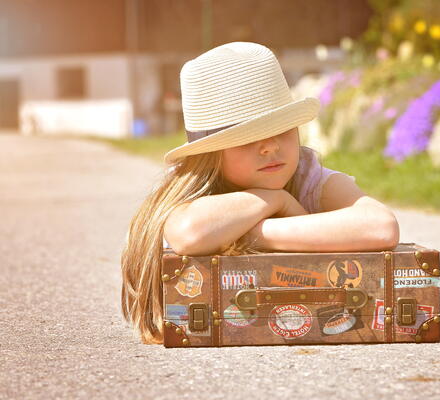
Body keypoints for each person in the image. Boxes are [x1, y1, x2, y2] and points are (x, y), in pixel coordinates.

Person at [120, 42, 399, 344]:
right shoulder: (192, 188)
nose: (270, 146)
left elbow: (381, 226)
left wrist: (255, 234)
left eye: (281, 129)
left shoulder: (308, 177)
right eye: (246, 138)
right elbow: (189, 233)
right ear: (210, 154)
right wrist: (276, 200)